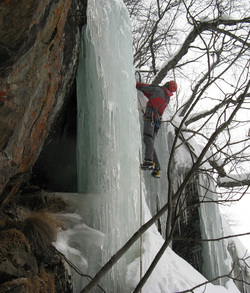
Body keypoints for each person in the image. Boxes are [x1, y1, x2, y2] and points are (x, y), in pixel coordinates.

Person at [136, 80, 177, 178]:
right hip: (157, 121)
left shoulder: (159, 89)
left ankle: (149, 161)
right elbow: (151, 95)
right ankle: (157, 168)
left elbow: (146, 88)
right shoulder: (167, 98)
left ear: (166, 85)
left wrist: (135, 84)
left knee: (147, 138)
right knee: (150, 142)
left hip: (151, 117)